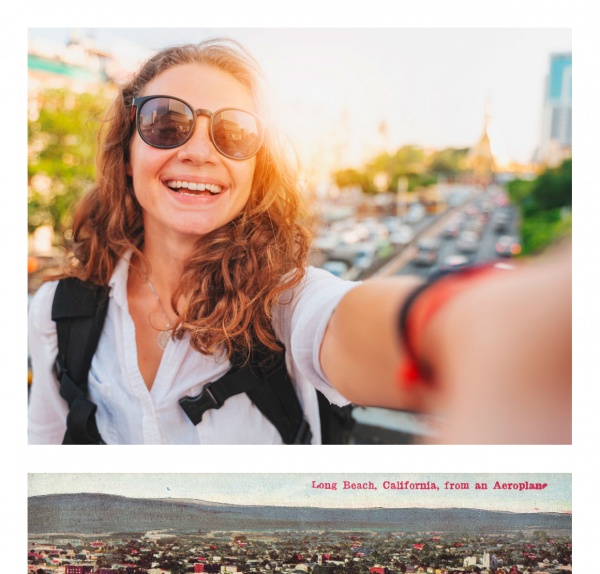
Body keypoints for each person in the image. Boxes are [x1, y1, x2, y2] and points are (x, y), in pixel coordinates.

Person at [28, 39, 571, 445]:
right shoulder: (57, 312)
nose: (199, 151)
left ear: (256, 169)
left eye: (234, 133)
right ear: (127, 149)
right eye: (166, 122)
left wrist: (472, 326)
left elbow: (348, 323)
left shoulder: (282, 302)